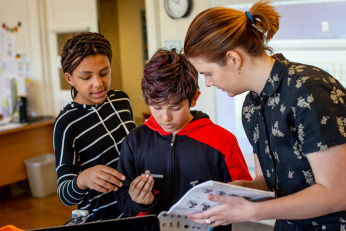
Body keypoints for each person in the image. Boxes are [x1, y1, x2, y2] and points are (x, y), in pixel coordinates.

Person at [183, 1, 346, 230]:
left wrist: (253, 211)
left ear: (233, 59)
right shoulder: (251, 106)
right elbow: (269, 184)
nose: (208, 83)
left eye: (208, 73)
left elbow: (338, 193)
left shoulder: (309, 89)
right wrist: (239, 190)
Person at [116, 48, 252, 230]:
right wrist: (141, 203)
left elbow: (243, 194)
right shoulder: (134, 141)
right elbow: (123, 200)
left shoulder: (223, 141)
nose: (165, 118)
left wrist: (224, 206)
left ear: (194, 98)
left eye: (175, 108)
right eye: (156, 107)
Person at [53, 32, 137, 222]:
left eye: (104, 73)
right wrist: (83, 179)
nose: (98, 83)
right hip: (101, 219)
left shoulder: (122, 100)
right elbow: (64, 195)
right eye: (86, 77)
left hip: (137, 209)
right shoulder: (66, 123)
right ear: (69, 78)